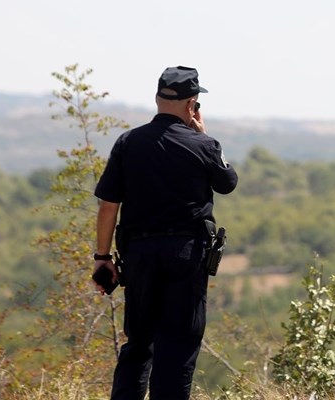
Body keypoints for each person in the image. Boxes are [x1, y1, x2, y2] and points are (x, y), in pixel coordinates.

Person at [92, 66, 238, 400]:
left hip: (139, 257)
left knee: (139, 343)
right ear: (193, 105)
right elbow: (228, 183)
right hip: (186, 257)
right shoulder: (203, 144)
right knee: (178, 346)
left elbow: (108, 206)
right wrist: (202, 135)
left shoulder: (128, 143)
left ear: (157, 99)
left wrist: (102, 258)